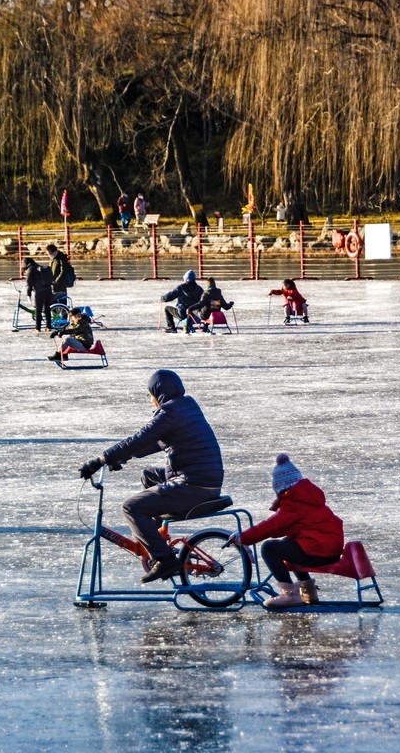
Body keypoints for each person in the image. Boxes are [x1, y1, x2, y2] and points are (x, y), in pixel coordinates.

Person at [78, 370, 224, 583]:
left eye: (150, 395)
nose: (150, 400)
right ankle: (155, 540)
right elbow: (154, 442)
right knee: (149, 476)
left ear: (158, 393)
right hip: (203, 479)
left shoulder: (169, 412)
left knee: (131, 507)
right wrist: (122, 458)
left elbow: (138, 439)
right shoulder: (186, 406)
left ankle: (164, 559)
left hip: (193, 485)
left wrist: (100, 460)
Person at [228, 453, 344, 608]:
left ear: (281, 488)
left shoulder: (294, 502)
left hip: (319, 552)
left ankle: (290, 594)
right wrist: (248, 536)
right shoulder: (307, 498)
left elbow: (272, 525)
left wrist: (243, 538)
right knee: (288, 544)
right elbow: (286, 526)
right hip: (327, 550)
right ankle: (309, 592)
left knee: (269, 548)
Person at [23, 256, 55, 332]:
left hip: (39, 292)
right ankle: (49, 326)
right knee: (47, 308)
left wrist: (28, 295)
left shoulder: (31, 269)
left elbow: (29, 283)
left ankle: (38, 328)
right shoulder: (40, 267)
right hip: (48, 290)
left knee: (38, 309)